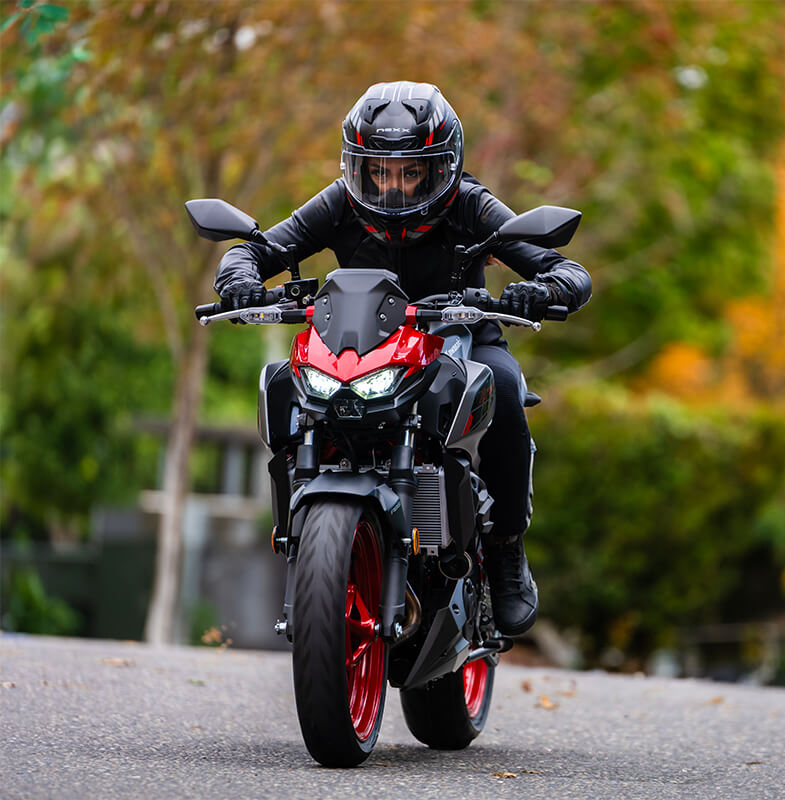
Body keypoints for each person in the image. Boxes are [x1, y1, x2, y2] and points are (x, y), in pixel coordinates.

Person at [213, 81, 592, 636]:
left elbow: (569, 272)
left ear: (442, 169)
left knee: (505, 386)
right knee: (282, 385)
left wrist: (543, 289)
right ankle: (305, 533)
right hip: (358, 346)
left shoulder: (469, 203)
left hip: (460, 340)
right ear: (358, 168)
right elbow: (260, 248)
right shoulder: (339, 201)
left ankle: (507, 550)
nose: (393, 186)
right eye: (380, 171)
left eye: (410, 172)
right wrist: (240, 277)